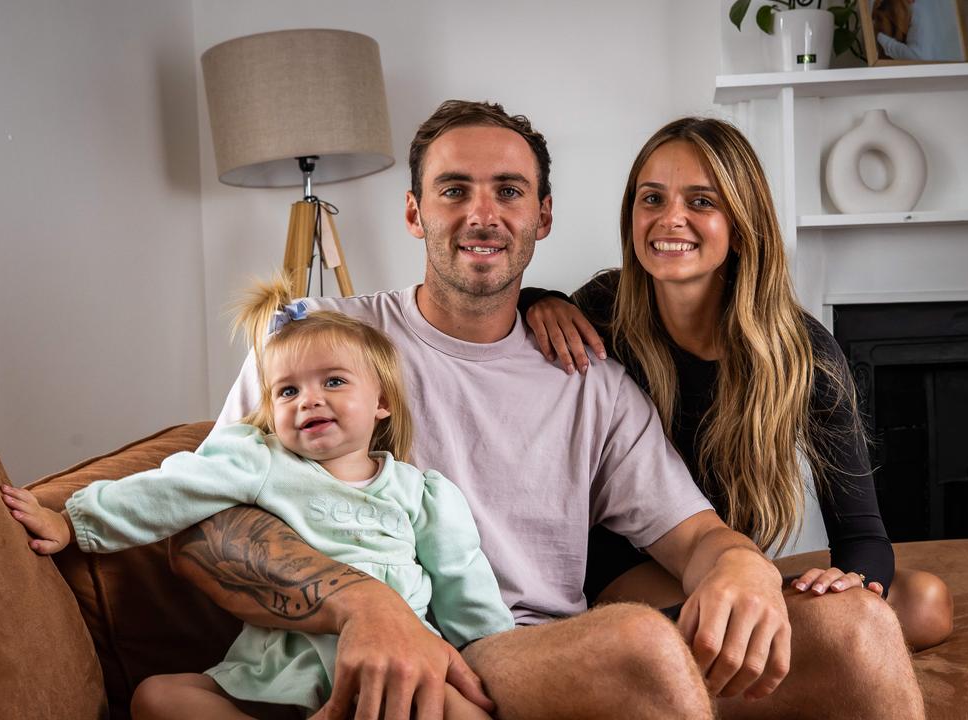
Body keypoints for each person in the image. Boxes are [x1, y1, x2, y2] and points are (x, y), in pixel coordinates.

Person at [177, 100, 925, 720]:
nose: (482, 214)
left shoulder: (589, 375)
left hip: (540, 650)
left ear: (544, 216)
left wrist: (740, 565)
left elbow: (693, 533)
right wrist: (363, 607)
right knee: (635, 643)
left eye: (507, 191)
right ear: (413, 211)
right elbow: (201, 521)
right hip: (432, 648)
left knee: (857, 624)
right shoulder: (318, 345)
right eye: (453, 190)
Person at [521, 116, 954, 651]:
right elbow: (495, 323)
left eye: (701, 202)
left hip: (729, 564)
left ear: (742, 222)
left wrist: (854, 583)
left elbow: (863, 535)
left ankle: (795, 646)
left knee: (925, 603)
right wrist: (536, 299)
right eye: (651, 199)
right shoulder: (602, 311)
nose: (670, 219)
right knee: (713, 631)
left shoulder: (803, 352)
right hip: (624, 565)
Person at [1, 294, 514, 720]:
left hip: (389, 670)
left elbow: (463, 583)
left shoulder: (423, 492)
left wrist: (492, 665)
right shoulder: (259, 459)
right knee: (157, 697)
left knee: (464, 712)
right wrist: (73, 520)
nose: (308, 400)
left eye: (333, 381)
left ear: (381, 401)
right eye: (287, 390)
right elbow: (170, 489)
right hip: (274, 673)